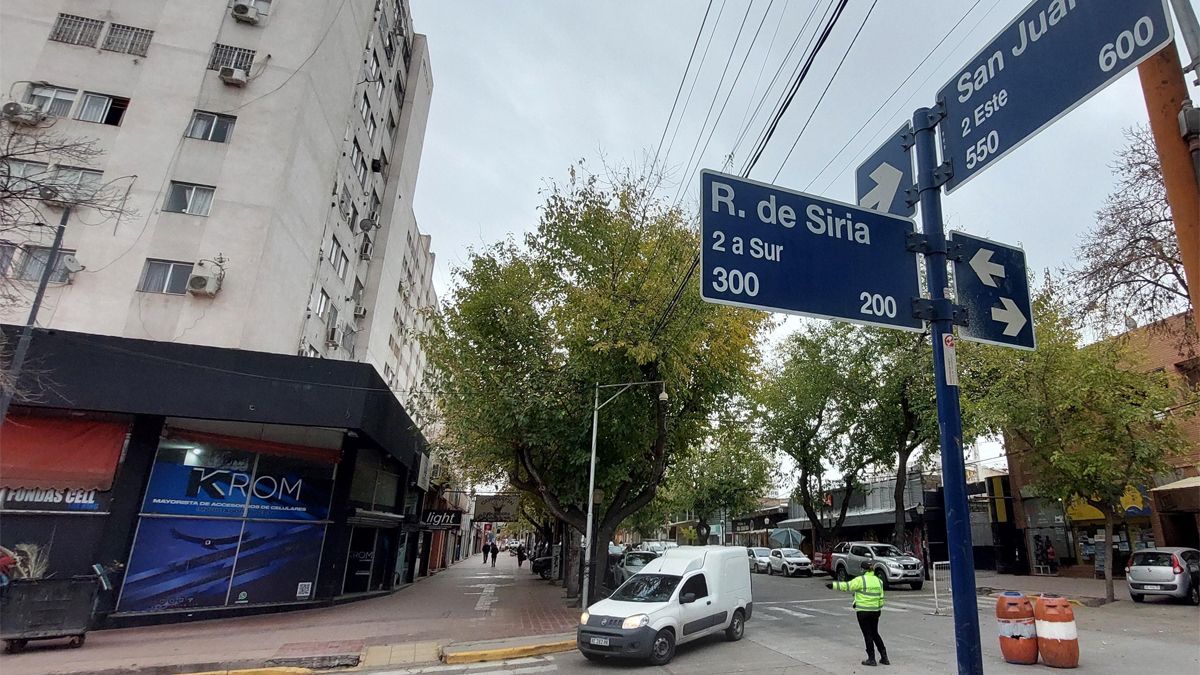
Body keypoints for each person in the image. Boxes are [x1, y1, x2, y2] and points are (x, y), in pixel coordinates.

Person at [827, 560, 889, 667]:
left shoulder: (861, 580)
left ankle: (871, 659)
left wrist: (833, 585)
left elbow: (847, 586)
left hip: (862, 612)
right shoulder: (879, 581)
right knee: (875, 633)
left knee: (867, 635)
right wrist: (878, 610)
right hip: (875, 612)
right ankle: (884, 657)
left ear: (863, 570)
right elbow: (881, 598)